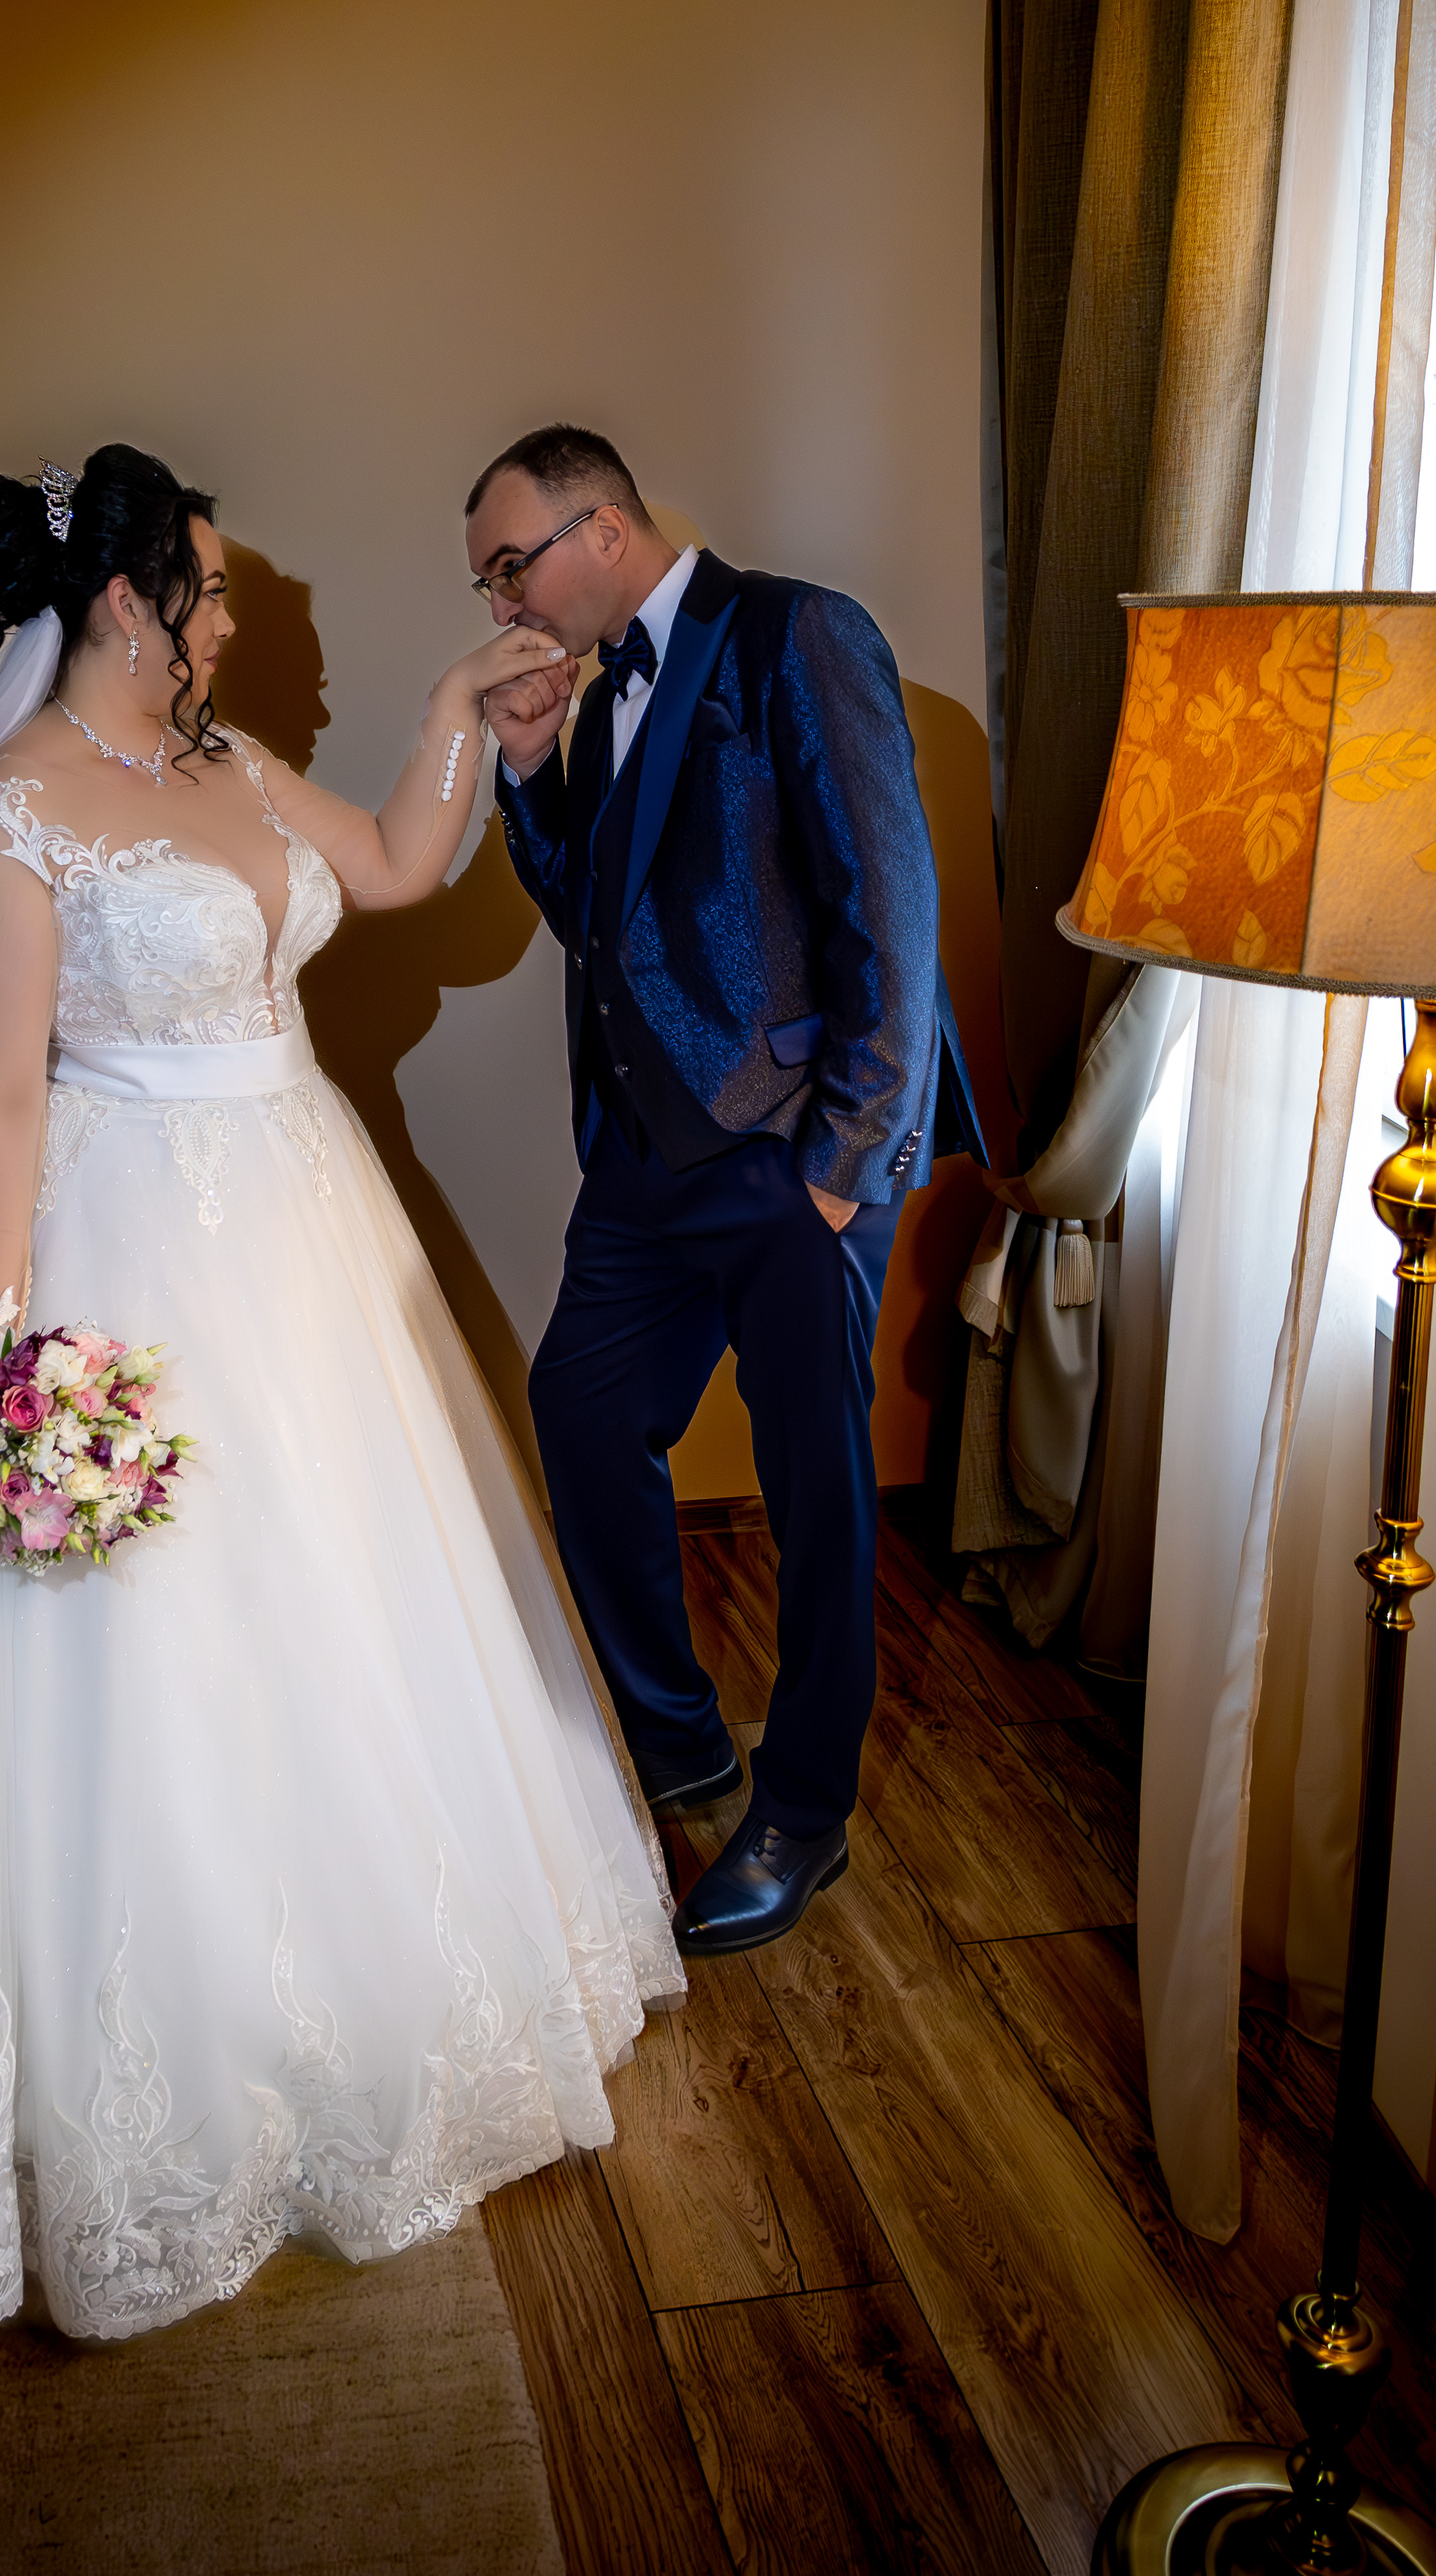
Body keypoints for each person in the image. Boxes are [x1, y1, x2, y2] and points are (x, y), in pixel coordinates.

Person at [0, 442, 681, 2340]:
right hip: (113, 1242)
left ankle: (365, 2018)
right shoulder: (15, 810)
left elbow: (396, 862)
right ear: (127, 600)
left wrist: (458, 710)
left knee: (347, 1613)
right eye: (215, 583)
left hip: (302, 1227)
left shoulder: (227, 765)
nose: (236, 614)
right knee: (122, 1659)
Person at [468, 425, 982, 1957]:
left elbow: (890, 901)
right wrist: (528, 769)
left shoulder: (796, 633)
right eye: (487, 581)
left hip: (791, 1155)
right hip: (646, 1157)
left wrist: (842, 1169)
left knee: (817, 1492)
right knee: (578, 1412)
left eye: (512, 565)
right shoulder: (596, 690)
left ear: (604, 528)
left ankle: (804, 1811)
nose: (503, 603)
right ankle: (679, 1738)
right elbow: (593, 917)